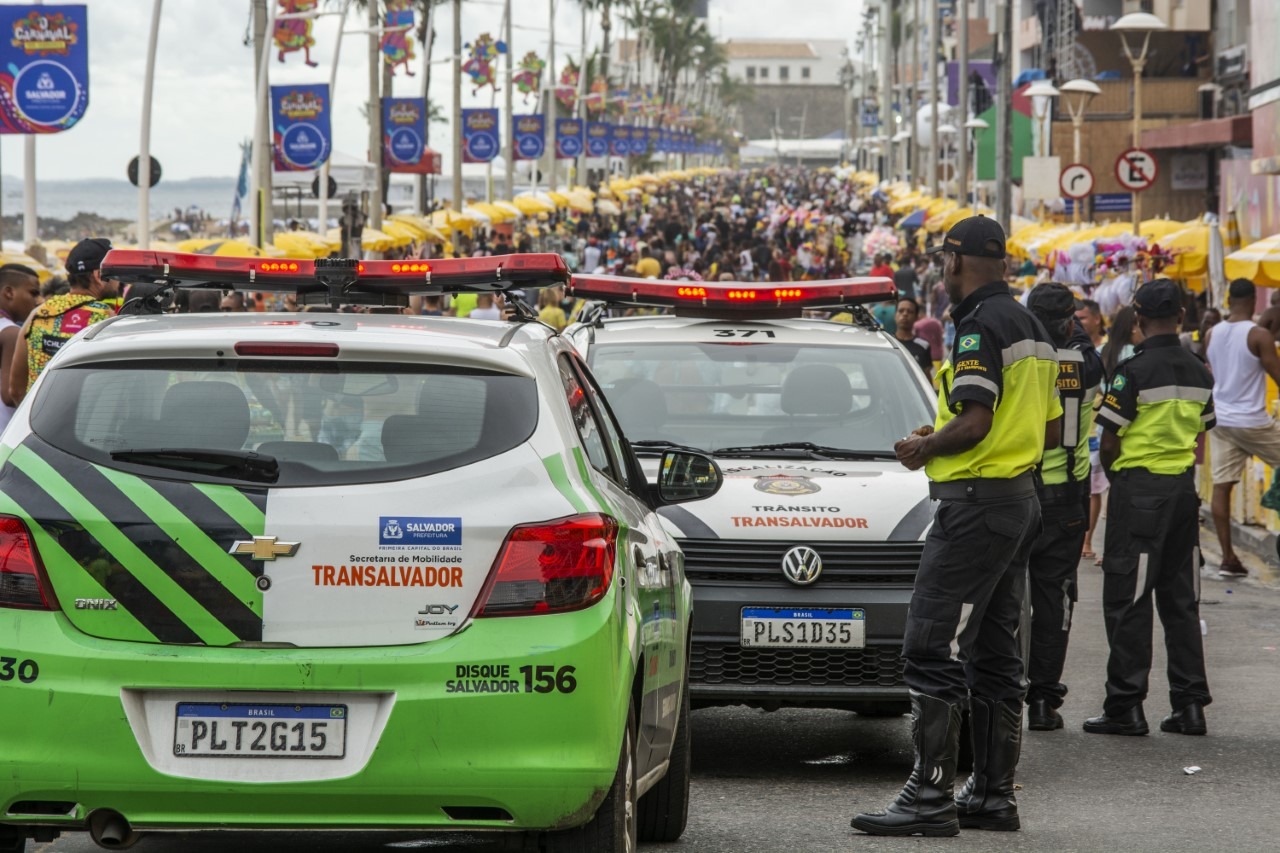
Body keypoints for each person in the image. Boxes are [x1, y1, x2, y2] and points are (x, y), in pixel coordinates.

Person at [851, 216, 1061, 837]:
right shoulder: (1032, 326)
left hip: (975, 505)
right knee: (994, 652)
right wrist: (953, 440)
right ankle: (993, 796)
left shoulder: (977, 325)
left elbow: (973, 422)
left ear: (955, 260)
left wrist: (926, 448)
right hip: (1018, 500)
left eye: (944, 259)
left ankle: (930, 795)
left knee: (928, 643)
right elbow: (1048, 431)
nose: (941, 271)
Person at [1085, 279, 1214, 738]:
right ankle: (1190, 706)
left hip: (1139, 493)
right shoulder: (1200, 370)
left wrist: (1122, 480)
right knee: (1180, 602)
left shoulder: (1132, 371)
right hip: (1182, 492)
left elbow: (1110, 440)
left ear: (1137, 320)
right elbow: (1203, 430)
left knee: (1128, 600)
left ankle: (1125, 706)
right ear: (1180, 317)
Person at [1023, 283, 1104, 731]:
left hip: (1019, 488)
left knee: (1004, 595)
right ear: (1070, 321)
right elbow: (1088, 354)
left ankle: (999, 692)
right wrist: (1077, 333)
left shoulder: (1019, 359)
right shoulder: (1086, 363)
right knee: (1054, 599)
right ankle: (1042, 699)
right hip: (1066, 498)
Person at [1203, 278, 1280, 578]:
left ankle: (1228, 558)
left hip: (1221, 420)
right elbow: (1276, 374)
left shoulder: (1212, 333)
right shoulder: (1257, 335)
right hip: (1252, 421)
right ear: (1252, 302)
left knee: (1222, 487)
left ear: (1230, 299)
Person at [10, 238, 119, 405]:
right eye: (114, 272)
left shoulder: (38, 314)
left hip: (38, 424)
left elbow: (16, 391)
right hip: (84, 426)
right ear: (98, 276)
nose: (118, 280)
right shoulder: (106, 320)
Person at [0, 265, 42, 427]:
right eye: (33, 293)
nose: (38, 301)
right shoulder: (10, 333)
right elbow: (12, 395)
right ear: (9, 292)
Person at [893, 296, 933, 379]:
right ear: (895, 315)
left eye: (910, 311)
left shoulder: (923, 346)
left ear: (916, 317)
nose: (905, 314)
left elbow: (926, 377)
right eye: (901, 311)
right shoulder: (888, 343)